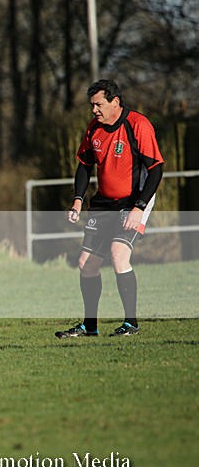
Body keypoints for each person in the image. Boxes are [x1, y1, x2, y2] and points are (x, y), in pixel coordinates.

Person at [56, 79, 164, 339]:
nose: (94, 110)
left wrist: (139, 208)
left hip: (133, 201)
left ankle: (131, 323)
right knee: (86, 264)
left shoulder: (138, 125)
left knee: (118, 255)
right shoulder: (94, 128)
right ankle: (89, 326)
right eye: (92, 105)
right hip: (104, 203)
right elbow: (84, 166)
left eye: (98, 105)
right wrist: (78, 200)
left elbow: (155, 169)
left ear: (115, 102)